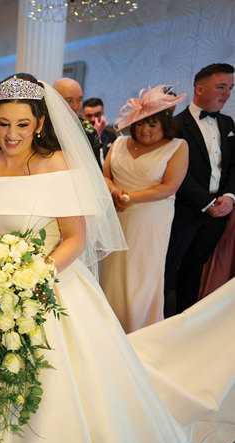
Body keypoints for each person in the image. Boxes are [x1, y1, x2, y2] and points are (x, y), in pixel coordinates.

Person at [0, 74, 235, 443]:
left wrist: (31, 276)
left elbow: (74, 240)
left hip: (48, 287)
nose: (11, 134)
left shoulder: (56, 165)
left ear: (41, 124)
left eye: (22, 125)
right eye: (3, 124)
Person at [100, 86, 188, 333]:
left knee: (142, 275)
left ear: (165, 125)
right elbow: (105, 176)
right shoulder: (118, 143)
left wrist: (131, 197)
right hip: (117, 215)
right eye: (140, 124)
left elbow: (169, 187)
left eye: (151, 125)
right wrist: (115, 192)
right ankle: (109, 329)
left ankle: (140, 331)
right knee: (112, 272)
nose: (144, 130)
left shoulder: (177, 146)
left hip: (151, 220)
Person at [165, 63, 235, 316]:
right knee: (169, 267)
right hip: (184, 211)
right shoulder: (175, 125)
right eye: (221, 87)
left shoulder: (228, 123)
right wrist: (206, 202)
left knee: (195, 270)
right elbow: (175, 174)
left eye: (230, 88)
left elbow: (233, 165)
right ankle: (160, 324)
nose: (227, 93)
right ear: (200, 88)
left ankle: (186, 322)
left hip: (217, 215)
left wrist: (229, 196)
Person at [53, 78, 103, 163]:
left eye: (79, 100)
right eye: (69, 101)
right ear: (54, 100)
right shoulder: (41, 129)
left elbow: (97, 170)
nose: (75, 107)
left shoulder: (88, 130)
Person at [81, 97, 116, 166]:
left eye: (97, 115)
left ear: (102, 114)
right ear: (82, 116)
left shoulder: (111, 136)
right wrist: (96, 135)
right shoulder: (78, 136)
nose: (93, 119)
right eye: (89, 116)